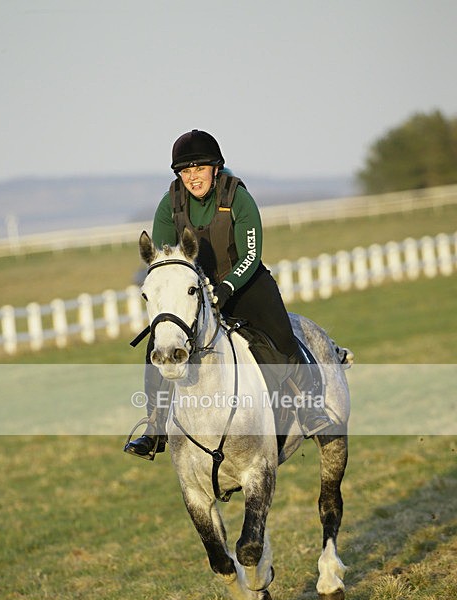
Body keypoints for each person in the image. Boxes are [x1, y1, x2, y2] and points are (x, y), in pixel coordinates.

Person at [125, 129, 332, 459]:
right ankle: (154, 426)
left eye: (199, 169)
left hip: (245, 281)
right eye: (186, 171)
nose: (193, 178)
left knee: (281, 336)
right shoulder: (169, 204)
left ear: (215, 169)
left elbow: (252, 254)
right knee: (158, 344)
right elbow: (166, 257)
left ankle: (310, 409)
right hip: (198, 288)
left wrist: (226, 287)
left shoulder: (237, 197)